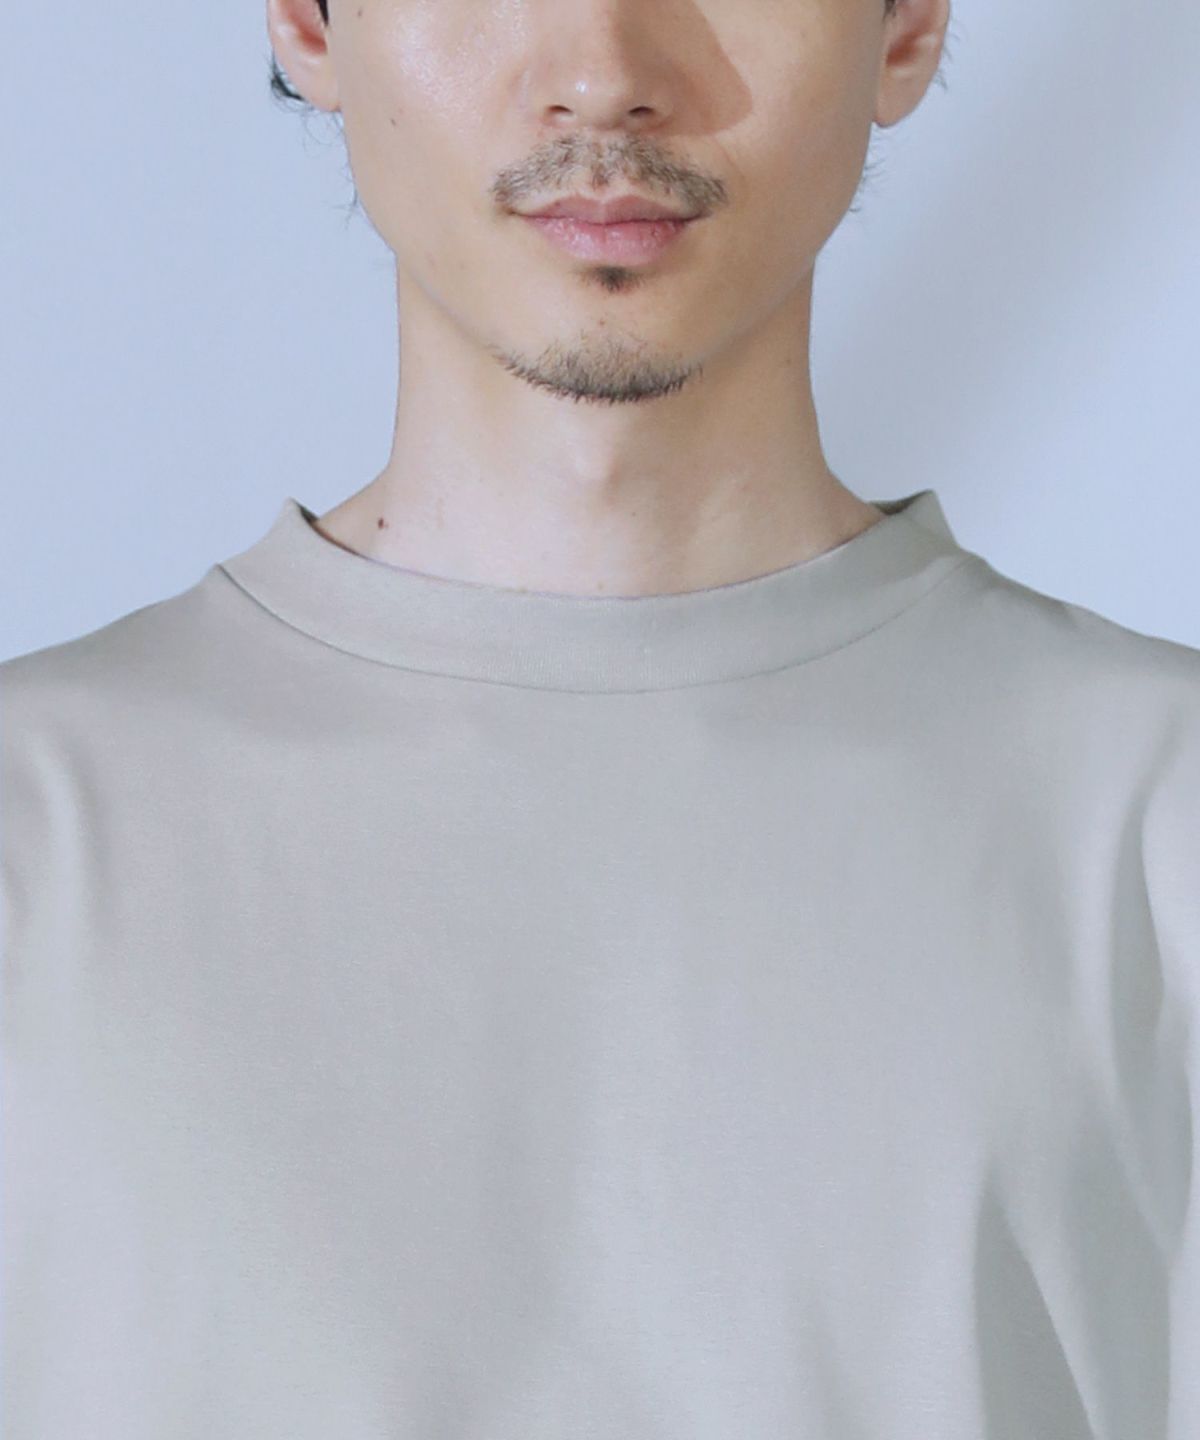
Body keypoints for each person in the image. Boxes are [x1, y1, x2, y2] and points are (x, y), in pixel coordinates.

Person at [2, 0, 1198, 1435]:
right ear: (310, 24)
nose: (603, 75)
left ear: (906, 29)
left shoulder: (1156, 813)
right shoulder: (36, 831)